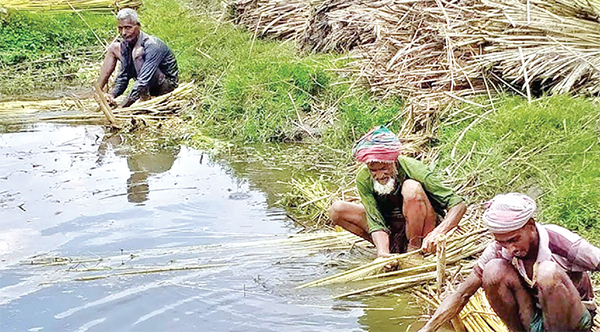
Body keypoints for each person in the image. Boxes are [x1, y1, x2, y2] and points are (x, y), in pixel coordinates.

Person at [418, 193, 597, 332]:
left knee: (547, 273)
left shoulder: (563, 242)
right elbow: (462, 294)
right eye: (502, 242)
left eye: (514, 239)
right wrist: (428, 328)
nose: (510, 249)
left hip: (572, 321)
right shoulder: (498, 250)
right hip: (535, 316)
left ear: (531, 226)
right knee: (492, 270)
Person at [329, 126, 466, 262]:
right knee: (337, 209)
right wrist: (383, 253)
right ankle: (389, 251)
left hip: (423, 226)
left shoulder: (413, 168)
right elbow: (374, 219)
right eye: (373, 171)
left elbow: (457, 203)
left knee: (411, 188)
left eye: (383, 168)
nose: (379, 175)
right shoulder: (364, 178)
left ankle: (414, 250)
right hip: (392, 228)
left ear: (393, 162)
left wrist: (438, 233)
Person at [103, 8, 178, 108]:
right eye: (120, 28)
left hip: (165, 86)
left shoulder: (152, 45)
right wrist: (112, 94)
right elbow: (124, 75)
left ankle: (145, 98)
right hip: (147, 84)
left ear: (138, 26)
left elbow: (143, 81)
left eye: (128, 28)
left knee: (138, 53)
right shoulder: (126, 45)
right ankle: (143, 95)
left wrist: (122, 107)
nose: (123, 32)